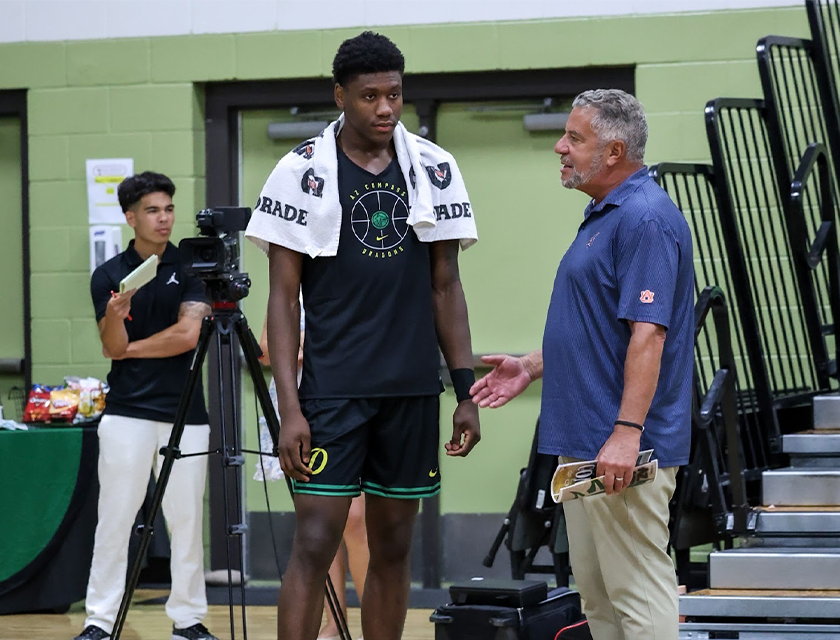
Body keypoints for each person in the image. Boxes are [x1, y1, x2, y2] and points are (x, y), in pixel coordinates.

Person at [244, 31, 481, 640]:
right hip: (332, 393)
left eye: (395, 94)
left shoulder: (433, 166)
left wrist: (465, 392)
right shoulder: (300, 173)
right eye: (370, 95)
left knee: (394, 548)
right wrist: (288, 407)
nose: (385, 108)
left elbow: (446, 287)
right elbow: (281, 299)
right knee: (315, 543)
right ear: (340, 96)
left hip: (409, 391)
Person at [471, 89, 692, 640]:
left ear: (614, 152)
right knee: (599, 599)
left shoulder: (645, 218)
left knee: (638, 595)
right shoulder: (605, 214)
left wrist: (626, 433)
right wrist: (530, 365)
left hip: (622, 445)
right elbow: (600, 329)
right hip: (586, 442)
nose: (559, 147)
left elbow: (649, 335)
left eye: (574, 138)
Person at [76, 171, 218, 640]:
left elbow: (188, 334)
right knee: (115, 519)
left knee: (186, 521)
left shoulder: (193, 266)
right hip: (126, 415)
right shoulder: (109, 275)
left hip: (185, 414)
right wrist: (115, 323)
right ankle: (99, 620)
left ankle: (188, 620)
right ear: (130, 217)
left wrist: (125, 348)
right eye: (153, 211)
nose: (164, 218)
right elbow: (111, 342)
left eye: (169, 209)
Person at [256, 316, 369, 640]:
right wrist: (317, 340)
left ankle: (375, 624)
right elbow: (267, 348)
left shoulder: (356, 278)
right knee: (322, 521)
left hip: (353, 403)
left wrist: (301, 341)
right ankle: (335, 622)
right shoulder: (294, 282)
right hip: (304, 408)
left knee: (357, 519)